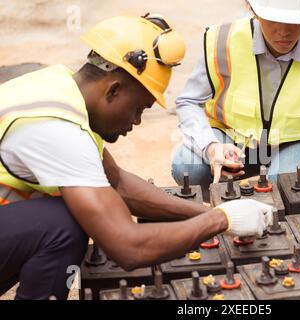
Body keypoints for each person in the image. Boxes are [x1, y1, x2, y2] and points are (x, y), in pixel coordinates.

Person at [0, 14, 273, 300]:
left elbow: (118, 184)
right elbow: (128, 248)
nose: (138, 122)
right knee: (64, 225)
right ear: (114, 89)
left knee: (75, 210)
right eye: (140, 108)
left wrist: (206, 211)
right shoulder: (57, 132)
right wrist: (220, 221)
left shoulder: (60, 89)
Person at [172, 0, 300, 200]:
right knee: (187, 166)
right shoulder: (223, 41)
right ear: (253, 10)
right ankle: (217, 201)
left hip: (298, 143)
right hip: (236, 141)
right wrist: (210, 147)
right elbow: (189, 102)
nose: (283, 32)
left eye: (294, 22)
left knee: (289, 186)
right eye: (273, 21)